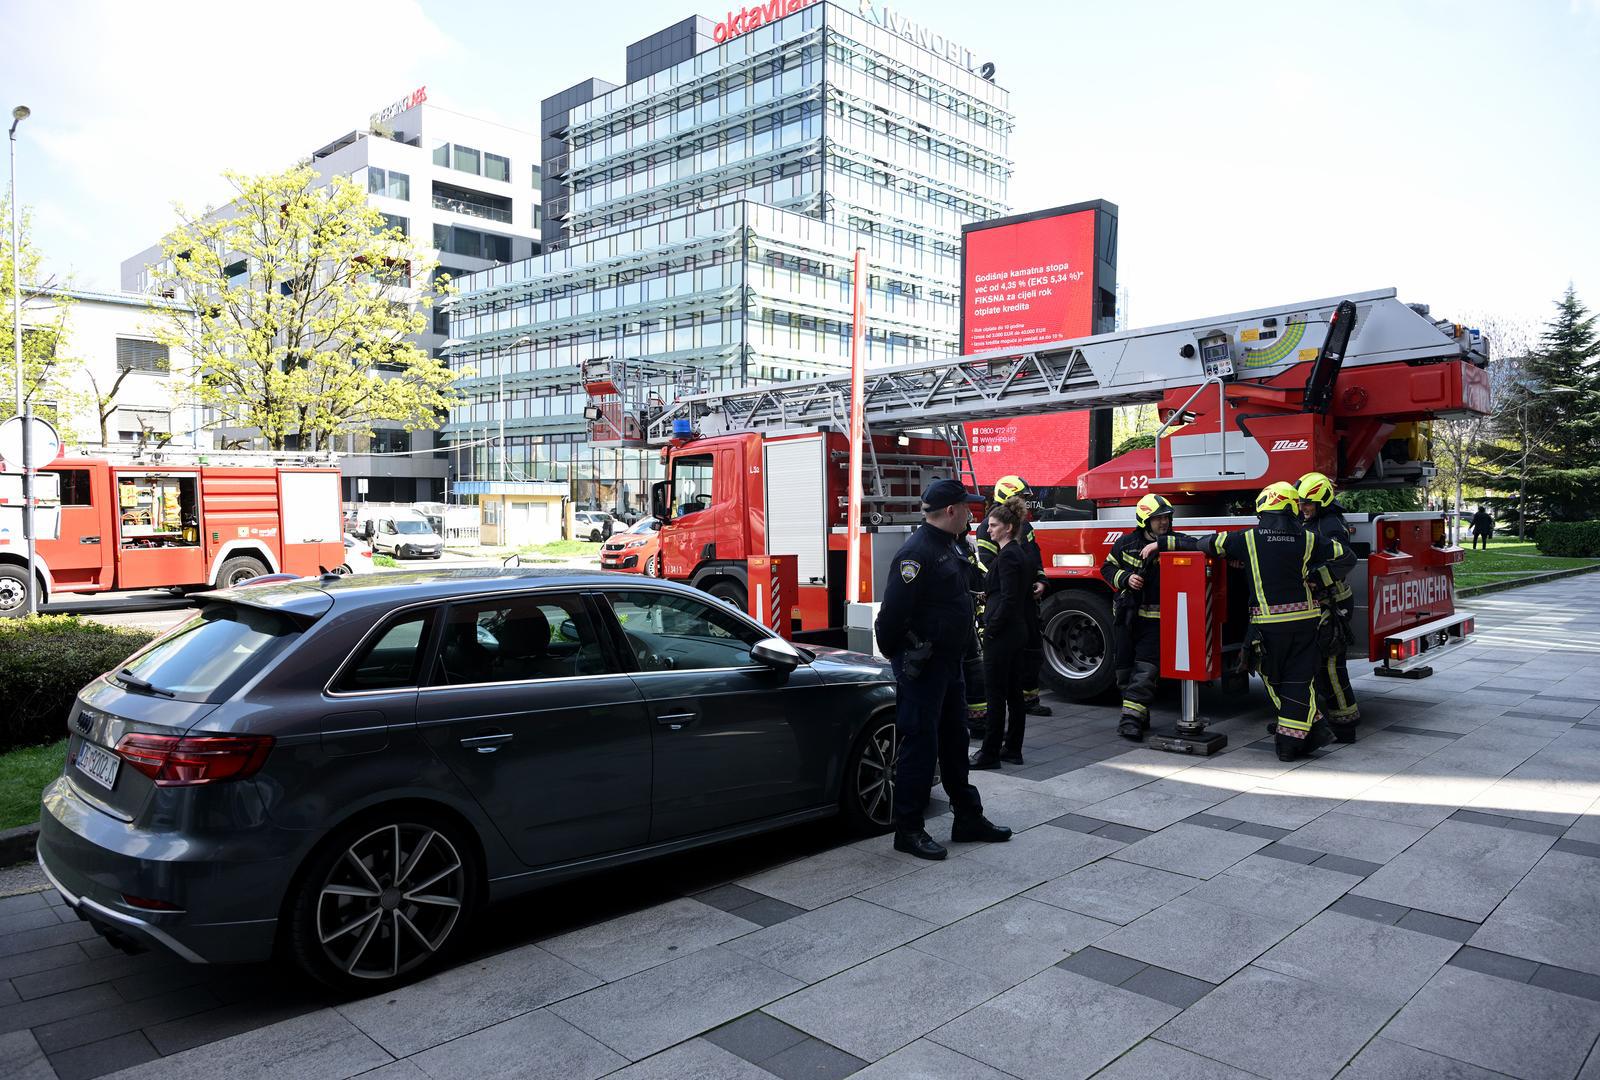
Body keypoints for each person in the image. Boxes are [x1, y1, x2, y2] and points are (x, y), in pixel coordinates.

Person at [875, 478, 1013, 860]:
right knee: (920, 746)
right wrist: (905, 659)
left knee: (955, 740)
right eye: (967, 507)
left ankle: (967, 817)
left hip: (950, 664)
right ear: (951, 510)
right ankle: (908, 830)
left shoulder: (951, 545)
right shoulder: (916, 554)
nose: (971, 513)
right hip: (925, 667)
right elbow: (891, 618)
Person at [1199, 482, 1353, 761]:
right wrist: (1318, 579)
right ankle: (1295, 740)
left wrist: (1163, 543)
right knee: (1300, 680)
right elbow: (1347, 557)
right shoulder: (1307, 538)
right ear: (1291, 508)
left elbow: (1206, 543)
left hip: (1269, 626)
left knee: (1275, 677)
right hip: (1307, 622)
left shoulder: (1247, 538)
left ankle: (1300, 737)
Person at [1101, 493, 1200, 741]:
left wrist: (1161, 545)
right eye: (1158, 519)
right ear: (1144, 521)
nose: (1164, 522)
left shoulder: (1177, 541)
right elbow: (1107, 568)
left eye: (1166, 518)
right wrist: (1125, 578)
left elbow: (1196, 544)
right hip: (1127, 618)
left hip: (1156, 620)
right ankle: (1139, 714)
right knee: (1124, 671)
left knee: (1146, 670)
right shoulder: (1125, 544)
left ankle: (1130, 721)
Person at [974, 475, 1051, 718]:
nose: (1025, 502)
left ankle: (1029, 698)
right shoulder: (989, 527)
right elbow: (988, 564)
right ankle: (1010, 700)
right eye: (1021, 497)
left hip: (1026, 597)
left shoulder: (1024, 526)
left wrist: (1041, 580)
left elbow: (1034, 557)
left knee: (1032, 648)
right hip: (1007, 597)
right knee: (1007, 653)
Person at [970, 496, 1033, 769]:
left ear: (1008, 528)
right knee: (1014, 694)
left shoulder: (1007, 556)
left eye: (994, 525)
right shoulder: (1018, 553)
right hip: (1017, 630)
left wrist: (991, 628)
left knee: (995, 695)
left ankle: (989, 753)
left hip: (1003, 634)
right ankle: (1012, 749)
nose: (989, 529)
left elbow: (1008, 598)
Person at [1298, 472, 1361, 741]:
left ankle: (1345, 724)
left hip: (1331, 602)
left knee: (1331, 665)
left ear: (1322, 502)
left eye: (1308, 503)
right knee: (1321, 665)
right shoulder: (1317, 521)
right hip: (1323, 602)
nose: (1303, 507)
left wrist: (1316, 579)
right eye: (1301, 502)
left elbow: (1344, 560)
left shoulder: (1330, 525)